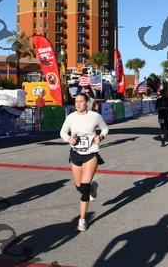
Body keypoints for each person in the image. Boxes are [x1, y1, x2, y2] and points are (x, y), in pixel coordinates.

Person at [60, 93, 109, 232]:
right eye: (76, 101)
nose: (78, 104)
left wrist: (100, 136)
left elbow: (105, 128)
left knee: (84, 189)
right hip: (75, 155)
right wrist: (68, 139)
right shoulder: (71, 117)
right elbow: (63, 132)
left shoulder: (95, 116)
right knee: (79, 186)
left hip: (91, 154)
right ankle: (93, 187)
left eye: (81, 101)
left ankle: (82, 220)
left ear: (87, 102)